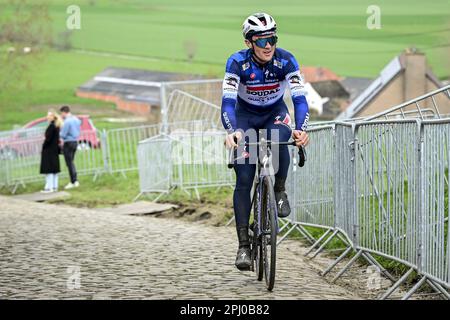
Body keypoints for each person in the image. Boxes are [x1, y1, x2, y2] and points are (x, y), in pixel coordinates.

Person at [221, 13, 310, 270]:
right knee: (245, 179)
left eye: (272, 39)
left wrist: (301, 129)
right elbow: (227, 102)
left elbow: (300, 99)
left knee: (282, 138)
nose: (268, 45)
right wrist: (232, 130)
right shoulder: (237, 63)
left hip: (274, 113)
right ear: (249, 43)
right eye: (261, 41)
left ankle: (279, 188)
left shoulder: (286, 60)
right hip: (244, 117)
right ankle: (243, 246)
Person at [40, 111, 63, 193]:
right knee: (54, 170)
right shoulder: (56, 126)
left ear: (53, 117)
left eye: (49, 116)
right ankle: (54, 186)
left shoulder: (51, 126)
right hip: (54, 150)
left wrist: (44, 146)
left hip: (49, 150)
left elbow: (48, 139)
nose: (47, 117)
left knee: (49, 169)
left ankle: (49, 187)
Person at [59, 105, 81, 189]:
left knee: (69, 163)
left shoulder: (67, 122)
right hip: (75, 141)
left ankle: (73, 181)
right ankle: (75, 180)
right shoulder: (76, 119)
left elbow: (63, 134)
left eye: (61, 113)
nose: (61, 115)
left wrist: (59, 133)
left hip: (68, 142)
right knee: (71, 162)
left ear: (64, 112)